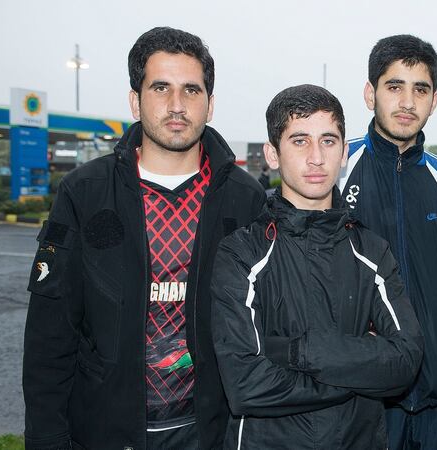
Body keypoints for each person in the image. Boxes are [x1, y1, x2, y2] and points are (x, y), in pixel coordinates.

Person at [22, 27, 266, 450]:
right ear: (136, 100)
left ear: (210, 105)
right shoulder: (85, 192)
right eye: (160, 88)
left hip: (211, 433)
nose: (176, 105)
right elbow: (50, 334)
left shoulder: (244, 198)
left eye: (192, 90)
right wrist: (45, 438)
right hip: (105, 432)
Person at [210, 85, 423, 449]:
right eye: (299, 141)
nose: (316, 158)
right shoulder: (241, 253)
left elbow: (404, 362)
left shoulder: (371, 250)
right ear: (272, 155)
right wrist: (360, 369)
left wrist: (293, 352)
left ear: (343, 153)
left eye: (328, 141)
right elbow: (244, 384)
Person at [338, 34, 437, 450]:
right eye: (394, 86)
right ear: (370, 94)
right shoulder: (336, 169)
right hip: (362, 404)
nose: (407, 101)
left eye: (419, 89)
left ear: (434, 100)